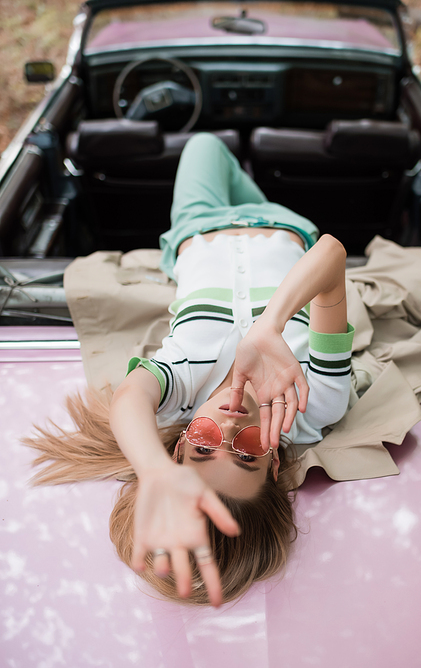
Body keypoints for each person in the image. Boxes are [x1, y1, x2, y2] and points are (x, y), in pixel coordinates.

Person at [25, 133, 354, 607]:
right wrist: (270, 327)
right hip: (285, 226)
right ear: (276, 462)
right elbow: (331, 253)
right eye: (247, 453)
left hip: (199, 226)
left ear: (178, 445)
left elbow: (130, 400)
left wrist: (154, 471)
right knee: (232, 163)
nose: (227, 425)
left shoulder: (178, 389)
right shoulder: (314, 402)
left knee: (205, 143)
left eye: (201, 447)